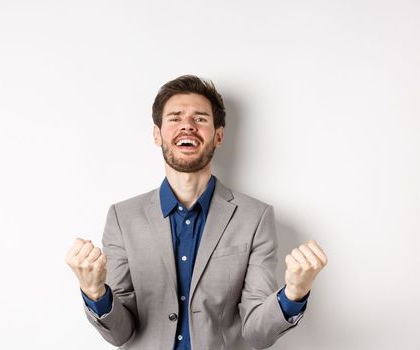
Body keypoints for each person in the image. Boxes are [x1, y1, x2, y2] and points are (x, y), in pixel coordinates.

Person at [65, 75, 328, 349]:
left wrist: (294, 293)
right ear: (157, 134)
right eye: (175, 118)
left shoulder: (255, 217)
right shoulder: (122, 217)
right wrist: (94, 291)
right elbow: (120, 333)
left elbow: (256, 334)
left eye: (200, 118)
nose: (187, 126)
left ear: (219, 135)